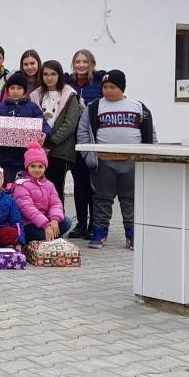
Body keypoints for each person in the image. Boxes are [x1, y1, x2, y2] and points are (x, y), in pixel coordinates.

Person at [77, 70, 156, 250]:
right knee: (102, 199)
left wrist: (149, 157)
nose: (108, 90)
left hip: (132, 161)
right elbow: (82, 132)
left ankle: (132, 234)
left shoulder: (138, 107)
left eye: (112, 87)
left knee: (130, 199)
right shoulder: (94, 107)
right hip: (104, 161)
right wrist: (89, 156)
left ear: (122, 87)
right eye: (104, 87)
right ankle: (100, 232)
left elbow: (151, 133)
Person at [64, 49, 107, 239]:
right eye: (77, 62)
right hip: (73, 140)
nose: (81, 65)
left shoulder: (99, 82)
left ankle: (94, 224)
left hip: (93, 139)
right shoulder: (68, 83)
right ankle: (81, 223)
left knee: (93, 185)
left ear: (92, 63)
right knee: (80, 185)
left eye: (85, 62)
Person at [30, 60, 81, 203]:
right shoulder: (36, 95)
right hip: (39, 149)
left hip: (60, 150)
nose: (49, 77)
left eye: (53, 74)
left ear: (59, 75)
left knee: (56, 189)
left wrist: (51, 141)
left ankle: (58, 222)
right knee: (38, 189)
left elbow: (70, 124)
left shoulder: (69, 94)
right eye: (45, 74)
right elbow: (32, 120)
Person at [0, 72, 51, 180]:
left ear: (24, 91)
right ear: (8, 90)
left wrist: (44, 134)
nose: (15, 91)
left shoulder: (33, 108)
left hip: (25, 159)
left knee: (24, 188)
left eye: (19, 88)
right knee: (7, 187)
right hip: (3, 158)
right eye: (12, 87)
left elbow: (45, 126)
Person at [11, 143, 72, 243]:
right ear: (27, 167)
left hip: (46, 221)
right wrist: (45, 225)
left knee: (66, 222)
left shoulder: (49, 184)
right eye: (32, 166)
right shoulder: (21, 184)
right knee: (39, 233)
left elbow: (55, 204)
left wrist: (54, 219)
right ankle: (48, 236)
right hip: (28, 223)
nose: (36, 170)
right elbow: (27, 209)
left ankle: (49, 236)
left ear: (45, 167)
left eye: (40, 166)